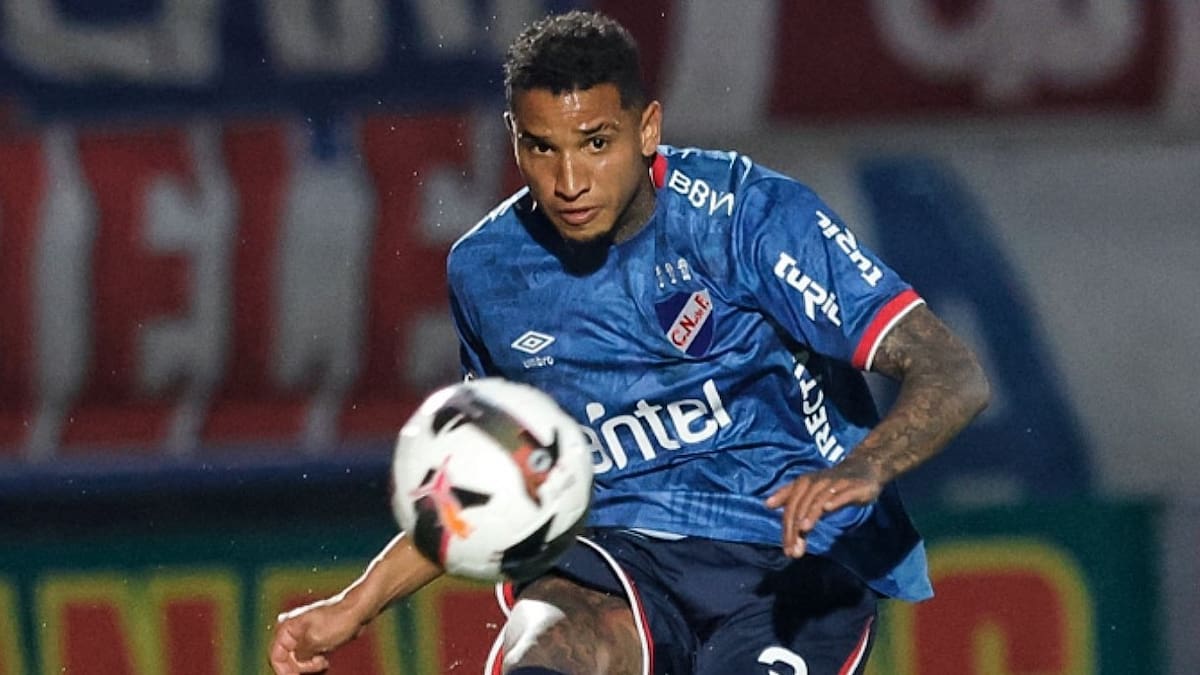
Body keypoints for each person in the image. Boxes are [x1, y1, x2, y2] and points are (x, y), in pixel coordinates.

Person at [269, 9, 990, 675]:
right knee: (546, 643)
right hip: (615, 555)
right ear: (514, 139)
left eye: (595, 143)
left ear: (647, 129)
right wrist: (355, 604)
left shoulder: (748, 218)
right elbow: (492, 475)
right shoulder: (488, 271)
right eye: (541, 148)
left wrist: (867, 466)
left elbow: (952, 371)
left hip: (793, 559)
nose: (569, 181)